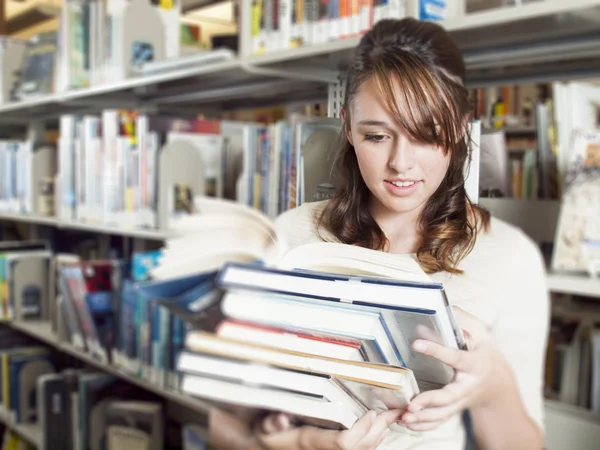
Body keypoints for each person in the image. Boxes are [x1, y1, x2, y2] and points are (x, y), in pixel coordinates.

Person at [208, 17, 549, 450]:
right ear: (348, 126)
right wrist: (301, 444)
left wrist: (493, 385)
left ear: (461, 126)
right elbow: (224, 427)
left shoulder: (509, 256)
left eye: (427, 135)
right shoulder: (289, 236)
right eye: (376, 136)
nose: (400, 163)